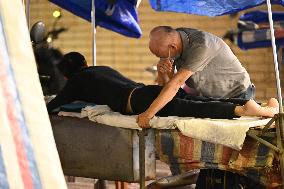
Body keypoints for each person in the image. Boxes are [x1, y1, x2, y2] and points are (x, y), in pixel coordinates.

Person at [47, 52, 278, 121]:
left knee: (194, 109)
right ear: (86, 63)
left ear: (67, 76)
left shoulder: (76, 81)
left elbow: (55, 105)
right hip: (146, 91)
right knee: (198, 102)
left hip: (138, 101)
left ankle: (240, 110)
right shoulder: (101, 69)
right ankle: (255, 106)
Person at [137, 26, 255, 128]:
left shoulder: (201, 46)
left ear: (173, 47)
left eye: (161, 56)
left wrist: (148, 114)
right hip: (214, 99)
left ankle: (268, 108)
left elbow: (175, 85)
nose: (163, 59)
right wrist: (162, 73)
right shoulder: (175, 40)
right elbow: (167, 85)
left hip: (239, 94)